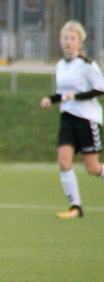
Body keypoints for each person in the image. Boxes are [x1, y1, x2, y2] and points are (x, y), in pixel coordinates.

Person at [40, 20, 104, 219]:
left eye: (72, 38)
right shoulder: (60, 65)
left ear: (79, 42)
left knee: (92, 168)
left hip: (87, 119)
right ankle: (75, 207)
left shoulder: (87, 64)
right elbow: (63, 93)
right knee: (63, 160)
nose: (68, 42)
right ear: (60, 41)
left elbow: (100, 88)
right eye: (65, 38)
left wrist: (75, 96)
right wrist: (50, 99)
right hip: (67, 118)